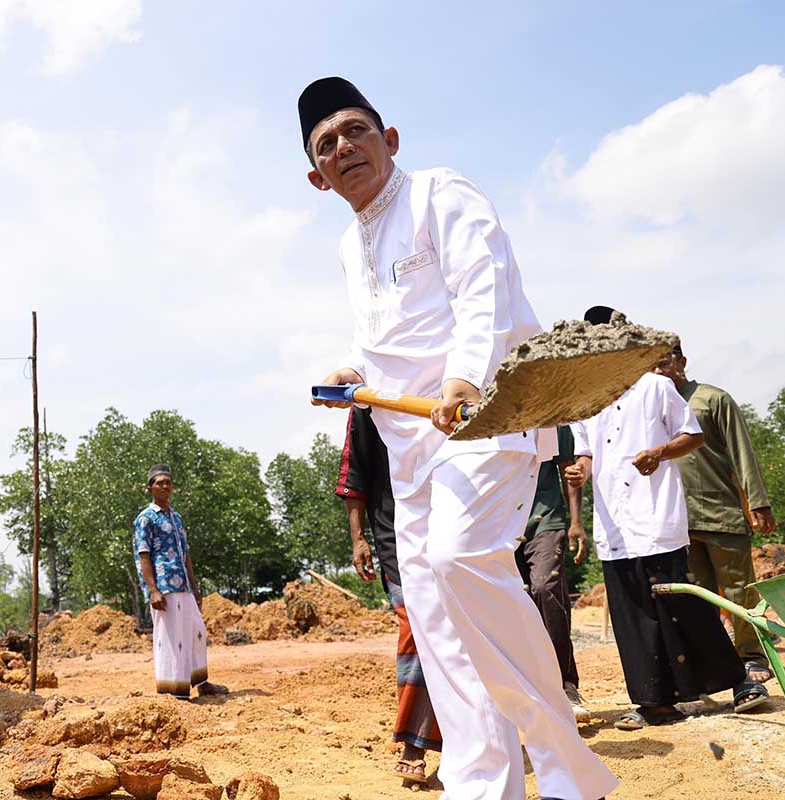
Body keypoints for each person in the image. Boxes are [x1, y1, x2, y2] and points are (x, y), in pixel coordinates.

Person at [300, 76, 616, 799]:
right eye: (327, 145)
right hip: (408, 450)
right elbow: (385, 332)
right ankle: (483, 785)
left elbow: (485, 289)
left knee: (458, 556)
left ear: (391, 140)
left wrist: (466, 378)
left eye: (356, 130)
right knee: (437, 617)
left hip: (479, 423)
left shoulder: (440, 192)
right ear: (316, 178)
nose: (344, 146)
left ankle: (572, 778)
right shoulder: (353, 246)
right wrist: (355, 369)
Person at [565, 306, 745, 731]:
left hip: (656, 515)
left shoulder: (656, 387)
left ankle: (736, 682)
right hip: (613, 522)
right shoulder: (585, 400)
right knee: (631, 614)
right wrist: (581, 471)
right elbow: (586, 454)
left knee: (678, 604)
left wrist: (660, 452)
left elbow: (693, 435)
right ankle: (653, 703)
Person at [654, 340, 777, 711]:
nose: (660, 370)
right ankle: (714, 667)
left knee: (739, 590)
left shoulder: (711, 399)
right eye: (653, 365)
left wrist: (758, 501)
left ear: (682, 361)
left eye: (666, 362)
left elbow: (743, 451)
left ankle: (752, 656)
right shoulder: (653, 408)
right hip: (677, 519)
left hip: (720, 512)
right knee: (698, 597)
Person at [336, 406, 441, 788]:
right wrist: (357, 537)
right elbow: (355, 471)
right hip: (394, 533)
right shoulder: (369, 399)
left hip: (456, 525)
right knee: (414, 629)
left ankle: (472, 742)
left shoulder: (454, 377)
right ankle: (414, 744)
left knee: (465, 635)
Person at [132, 464, 228, 700]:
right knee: (171, 638)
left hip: (183, 585)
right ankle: (172, 692)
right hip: (164, 587)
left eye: (168, 482)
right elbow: (143, 554)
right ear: (150, 488)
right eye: (159, 482)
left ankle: (201, 682)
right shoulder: (146, 519)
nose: (165, 486)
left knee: (196, 631)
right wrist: (153, 590)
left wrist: (195, 587)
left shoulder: (176, 517)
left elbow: (186, 554)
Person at [516, 425, 591, 722]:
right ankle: (524, 690)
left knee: (545, 588)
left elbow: (568, 471)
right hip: (503, 522)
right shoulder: (490, 416)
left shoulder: (553, 420)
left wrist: (576, 522)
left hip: (545, 518)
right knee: (510, 602)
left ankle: (565, 684)